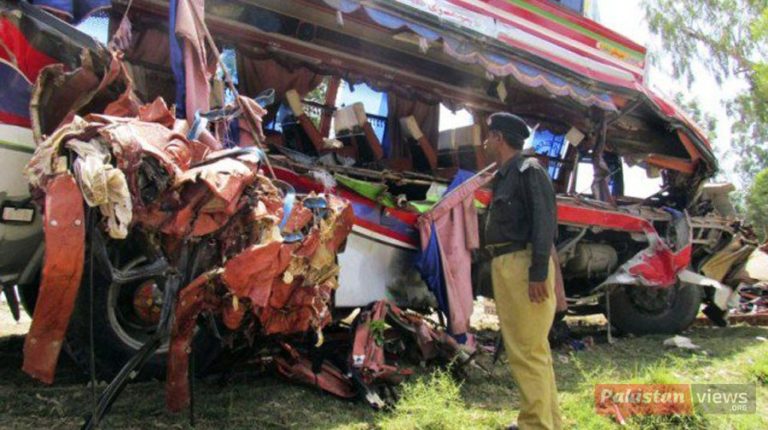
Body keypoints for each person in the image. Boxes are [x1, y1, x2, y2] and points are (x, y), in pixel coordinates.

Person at [484, 112, 562, 430]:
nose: (485, 141)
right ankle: (548, 422)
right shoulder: (505, 175)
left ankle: (535, 426)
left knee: (526, 352)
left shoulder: (529, 171)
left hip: (522, 264)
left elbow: (545, 223)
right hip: (508, 265)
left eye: (489, 135)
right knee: (533, 350)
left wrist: (537, 272)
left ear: (499, 138)